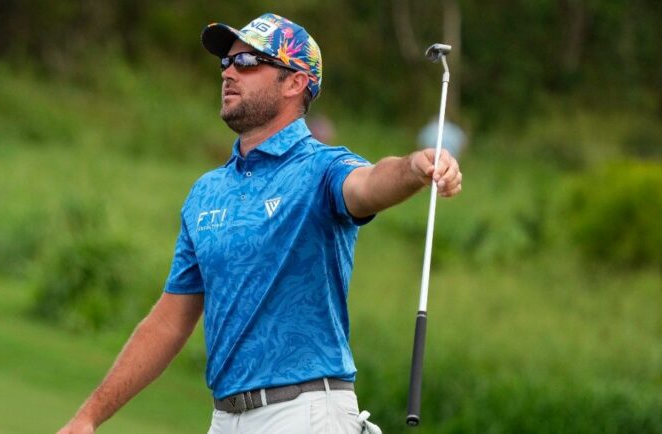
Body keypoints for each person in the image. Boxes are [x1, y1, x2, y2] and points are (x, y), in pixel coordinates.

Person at [57, 12, 462, 434]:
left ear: (294, 82)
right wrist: (89, 416)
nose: (229, 72)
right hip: (225, 417)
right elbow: (169, 321)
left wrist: (415, 167)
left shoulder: (321, 169)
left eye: (248, 62)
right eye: (226, 63)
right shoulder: (207, 192)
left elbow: (368, 185)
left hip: (304, 412)